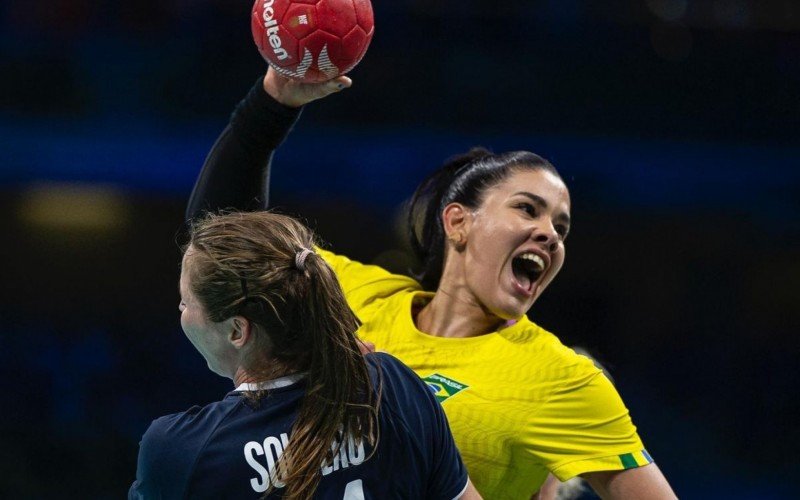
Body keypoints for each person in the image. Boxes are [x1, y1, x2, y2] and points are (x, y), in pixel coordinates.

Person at [186, 68, 678, 499]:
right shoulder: (360, 296)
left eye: (562, 229)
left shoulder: (561, 380)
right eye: (527, 209)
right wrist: (272, 102)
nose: (549, 234)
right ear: (458, 222)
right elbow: (224, 246)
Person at [129, 211, 480, 499]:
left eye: (187, 301)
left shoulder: (181, 450)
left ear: (238, 331)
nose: (181, 308)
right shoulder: (394, 385)